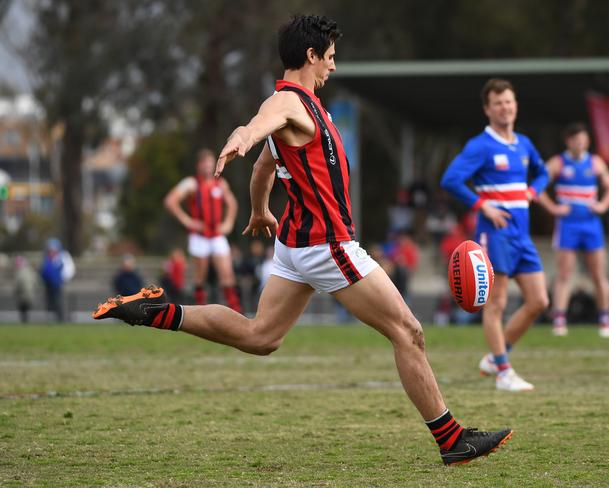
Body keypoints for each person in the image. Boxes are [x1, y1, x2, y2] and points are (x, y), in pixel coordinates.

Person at [94, 15, 511, 465]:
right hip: (325, 244)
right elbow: (258, 128)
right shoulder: (289, 103)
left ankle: (154, 311)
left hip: (295, 246)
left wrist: (258, 210)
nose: (333, 67)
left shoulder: (309, 109)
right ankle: (452, 440)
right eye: (329, 58)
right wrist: (243, 137)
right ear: (310, 56)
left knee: (260, 335)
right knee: (408, 331)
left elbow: (263, 169)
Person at [441, 78, 550, 392]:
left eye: (509, 101)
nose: (505, 107)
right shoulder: (480, 145)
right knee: (497, 304)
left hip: (522, 236)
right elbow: (451, 179)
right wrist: (482, 206)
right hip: (495, 234)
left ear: (516, 105)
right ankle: (504, 372)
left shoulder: (524, 144)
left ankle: (495, 358)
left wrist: (533, 192)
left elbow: (542, 174)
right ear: (488, 109)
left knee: (539, 301)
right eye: (499, 103)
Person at [537, 123, 609, 338]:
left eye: (583, 139)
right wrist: (553, 208)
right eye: (575, 139)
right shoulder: (558, 163)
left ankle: (605, 318)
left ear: (588, 141)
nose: (580, 143)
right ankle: (559, 319)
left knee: (598, 273)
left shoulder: (595, 163)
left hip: (591, 224)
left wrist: (602, 205)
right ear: (568, 141)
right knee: (564, 273)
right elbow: (537, 187)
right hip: (568, 224)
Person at [164, 149, 242, 312]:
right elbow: (170, 201)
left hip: (216, 235)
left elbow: (232, 204)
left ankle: (236, 311)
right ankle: (202, 313)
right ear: (199, 165)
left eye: (210, 163)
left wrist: (228, 223)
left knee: (227, 275)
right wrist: (187, 221)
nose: (208, 166)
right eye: (205, 163)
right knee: (200, 277)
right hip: (199, 236)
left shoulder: (220, 183)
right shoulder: (191, 183)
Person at [40, 238, 75, 322]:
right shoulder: (47, 258)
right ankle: (52, 319)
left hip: (58, 284)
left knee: (59, 302)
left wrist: (62, 279)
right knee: (50, 303)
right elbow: (44, 271)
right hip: (48, 284)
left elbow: (69, 270)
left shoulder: (62, 257)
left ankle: (61, 318)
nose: (51, 251)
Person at [14, 255, 38, 323]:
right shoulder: (31, 271)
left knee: (23, 313)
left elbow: (17, 286)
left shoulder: (19, 273)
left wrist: (16, 293)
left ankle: (24, 323)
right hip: (31, 296)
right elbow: (36, 283)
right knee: (28, 312)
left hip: (22, 297)